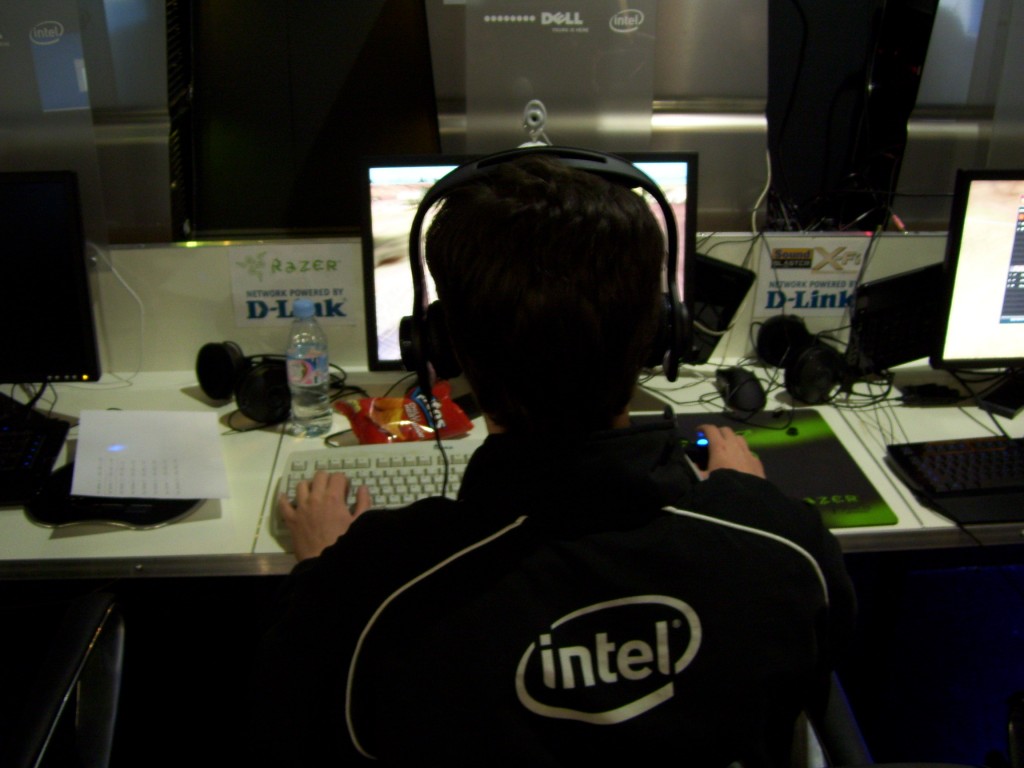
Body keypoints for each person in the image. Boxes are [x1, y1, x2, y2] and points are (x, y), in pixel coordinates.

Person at [250, 153, 855, 766]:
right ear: (659, 334)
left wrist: (322, 567)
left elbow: (294, 726)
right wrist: (747, 504)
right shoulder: (787, 548)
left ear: (441, 346)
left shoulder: (367, 591)